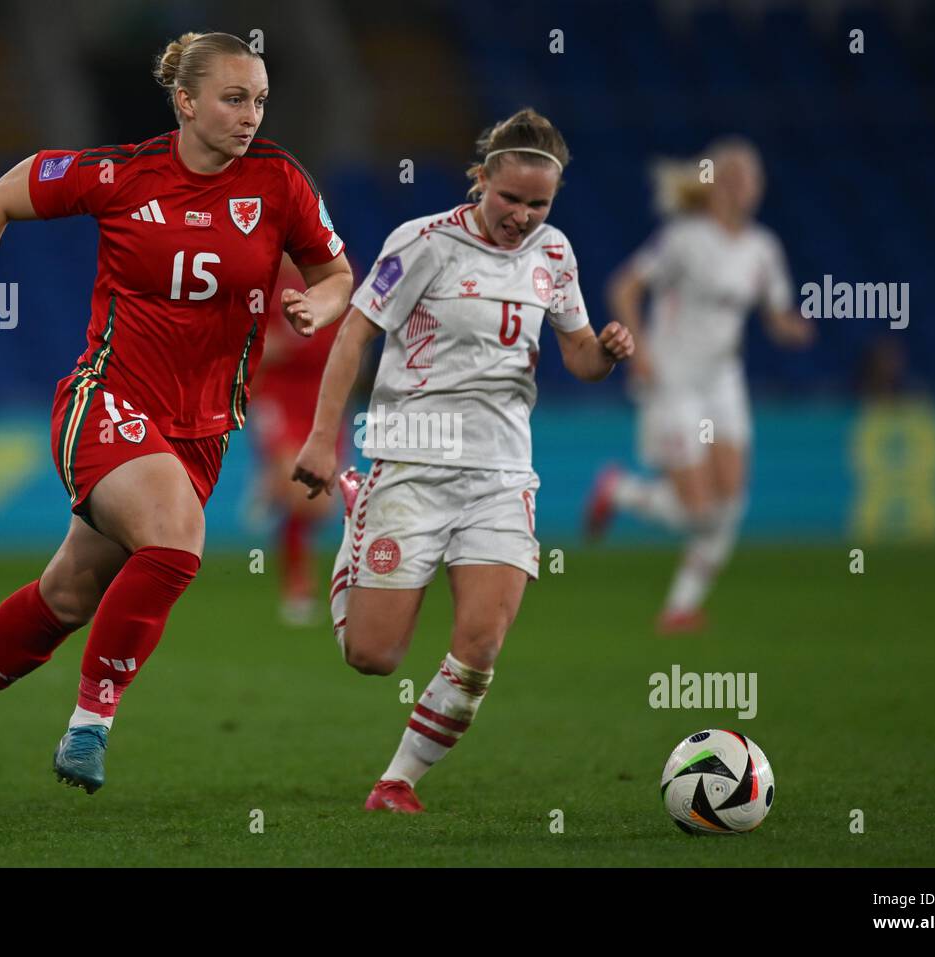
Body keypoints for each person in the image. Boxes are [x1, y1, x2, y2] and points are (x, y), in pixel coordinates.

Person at [0, 31, 352, 795]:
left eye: (261, 101)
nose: (251, 116)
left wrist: (320, 302)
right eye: (234, 98)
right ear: (186, 101)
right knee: (178, 540)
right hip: (105, 399)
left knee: (68, 596)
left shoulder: (279, 182)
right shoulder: (119, 174)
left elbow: (339, 271)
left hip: (203, 429)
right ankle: (90, 724)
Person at [292, 108, 633, 813]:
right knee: (374, 656)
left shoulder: (555, 254)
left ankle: (397, 781)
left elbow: (577, 354)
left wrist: (605, 351)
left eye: (539, 204)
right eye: (511, 198)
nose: (522, 216)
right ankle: (360, 503)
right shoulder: (422, 243)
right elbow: (353, 336)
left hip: (502, 473)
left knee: (481, 643)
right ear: (481, 179)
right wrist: (323, 439)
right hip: (412, 461)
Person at [585, 137, 813, 633]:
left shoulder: (763, 249)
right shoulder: (684, 238)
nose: (741, 188)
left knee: (728, 505)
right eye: (731, 178)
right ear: (712, 187)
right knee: (699, 512)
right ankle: (619, 491)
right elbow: (623, 286)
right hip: (673, 381)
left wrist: (794, 327)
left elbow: (776, 317)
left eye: (749, 178)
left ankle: (679, 608)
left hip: (723, 382)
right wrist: (639, 351)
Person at [248, 254, 345, 625]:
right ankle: (297, 586)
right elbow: (253, 343)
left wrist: (287, 343)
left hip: (322, 398)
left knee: (318, 505)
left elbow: (346, 338)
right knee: (299, 490)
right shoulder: (262, 279)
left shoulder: (335, 275)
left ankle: (272, 487)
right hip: (278, 396)